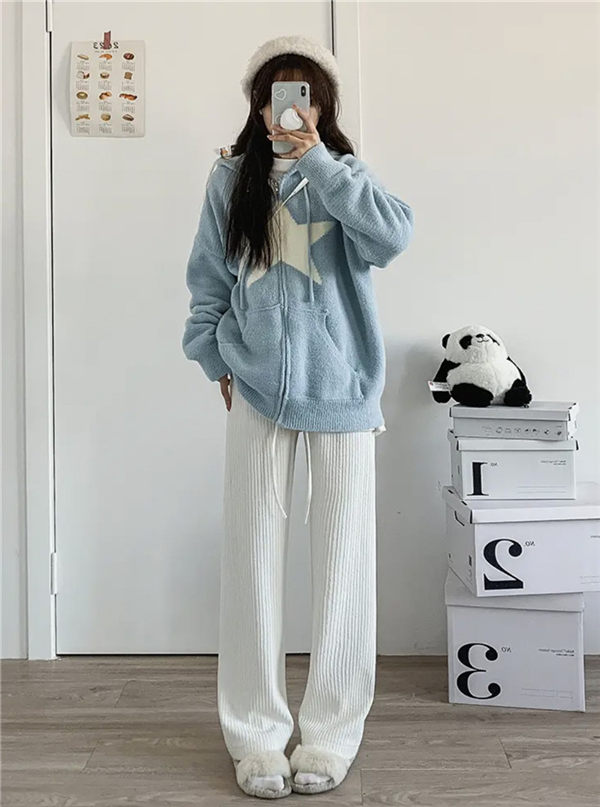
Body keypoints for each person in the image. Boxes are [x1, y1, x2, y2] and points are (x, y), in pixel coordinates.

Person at [182, 35, 414, 799]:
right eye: (277, 95)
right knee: (252, 563)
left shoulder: (343, 174)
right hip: (256, 389)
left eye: (303, 96)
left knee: (345, 565)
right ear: (258, 106)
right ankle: (254, 734)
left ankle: (332, 732)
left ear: (322, 106)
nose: (289, 110)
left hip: (343, 393)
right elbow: (209, 278)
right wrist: (214, 357)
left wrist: (321, 162)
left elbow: (392, 236)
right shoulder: (229, 178)